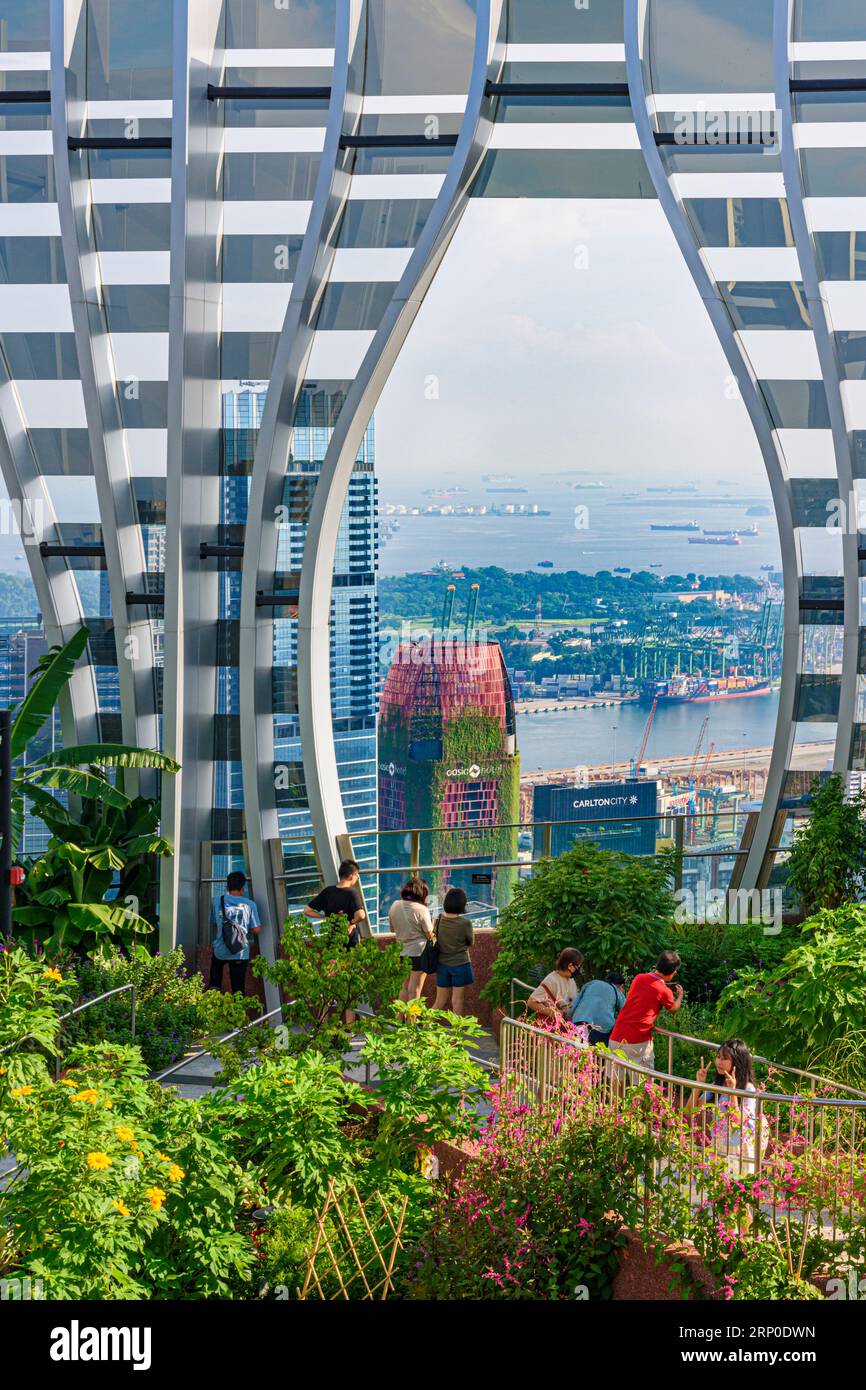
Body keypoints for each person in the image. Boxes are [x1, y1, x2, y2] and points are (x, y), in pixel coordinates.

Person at [685, 1038, 767, 1177]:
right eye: (718, 1057)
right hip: (719, 1146)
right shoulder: (717, 1086)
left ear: (737, 1061)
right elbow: (689, 1111)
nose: (719, 1062)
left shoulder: (748, 1089)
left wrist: (732, 1091)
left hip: (740, 1150)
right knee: (717, 1192)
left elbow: (738, 1121)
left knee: (738, 1193)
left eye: (724, 1058)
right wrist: (699, 1085)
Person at [609, 950, 683, 1078]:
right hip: (638, 1039)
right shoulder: (664, 990)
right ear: (672, 972)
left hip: (617, 1034)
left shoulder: (639, 978)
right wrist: (680, 996)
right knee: (642, 1083)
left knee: (617, 1081)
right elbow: (673, 1009)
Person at [209, 870, 262, 995]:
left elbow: (215, 924)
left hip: (220, 950)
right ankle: (238, 1012)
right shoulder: (250, 905)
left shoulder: (216, 901)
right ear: (242, 888)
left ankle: (212, 1005)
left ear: (227, 887)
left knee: (214, 986)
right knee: (238, 991)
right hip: (240, 951)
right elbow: (256, 929)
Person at [389, 877, 436, 1003]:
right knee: (415, 989)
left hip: (401, 952)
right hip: (419, 953)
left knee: (404, 988)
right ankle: (411, 1022)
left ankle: (399, 1020)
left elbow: (392, 929)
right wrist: (433, 924)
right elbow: (430, 935)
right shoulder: (421, 909)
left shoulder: (394, 905)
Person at [303, 859, 367, 946]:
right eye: (357, 876)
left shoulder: (328, 891)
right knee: (350, 959)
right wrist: (351, 923)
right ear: (352, 876)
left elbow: (307, 910)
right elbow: (361, 915)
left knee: (333, 958)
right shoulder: (352, 893)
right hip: (349, 937)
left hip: (332, 936)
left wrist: (325, 917)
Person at [433, 888, 475, 1016]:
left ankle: (425, 1027)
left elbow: (435, 937)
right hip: (460, 964)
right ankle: (456, 1035)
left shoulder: (439, 919)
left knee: (439, 1001)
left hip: (442, 964)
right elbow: (471, 942)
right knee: (457, 1001)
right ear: (462, 904)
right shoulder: (465, 923)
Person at [526, 948, 584, 1023]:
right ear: (570, 966)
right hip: (551, 1028)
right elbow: (531, 1002)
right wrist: (553, 1013)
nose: (579, 970)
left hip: (566, 1027)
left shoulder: (571, 980)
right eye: (578, 967)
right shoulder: (551, 980)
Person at [571, 971, 626, 1046]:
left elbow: (575, 1004)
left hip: (579, 1021)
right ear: (622, 986)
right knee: (596, 1055)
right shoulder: (617, 991)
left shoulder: (592, 983)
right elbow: (625, 1013)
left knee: (577, 1052)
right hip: (600, 1029)